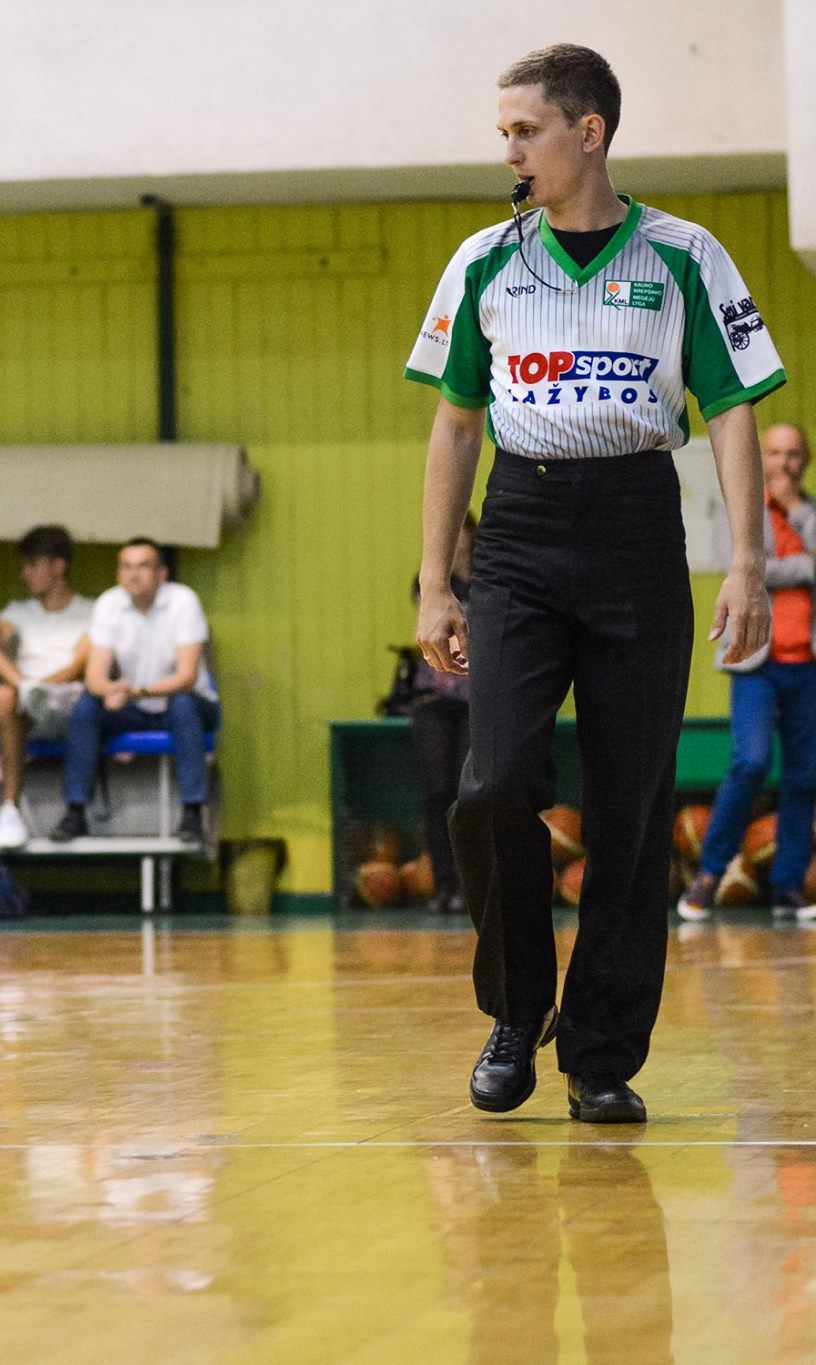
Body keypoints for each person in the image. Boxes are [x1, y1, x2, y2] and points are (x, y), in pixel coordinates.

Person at [409, 45, 781, 1124]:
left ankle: (602, 1054)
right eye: (503, 134)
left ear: (588, 131)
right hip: (519, 533)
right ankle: (516, 1008)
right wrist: (436, 582)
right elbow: (454, 424)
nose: (509, 151)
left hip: (635, 527)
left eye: (524, 130)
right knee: (492, 784)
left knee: (630, 805)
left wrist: (746, 562)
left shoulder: (685, 255)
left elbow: (732, 408)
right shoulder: (484, 260)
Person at [681, 422, 816, 923]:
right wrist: (804, 566)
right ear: (761, 458)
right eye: (775, 453)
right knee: (751, 762)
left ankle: (788, 888)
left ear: (804, 461)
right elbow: (738, 567)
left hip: (808, 665)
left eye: (793, 454)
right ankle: (708, 876)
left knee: (804, 776)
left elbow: (769, 568)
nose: (784, 463)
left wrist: (796, 510)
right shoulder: (740, 511)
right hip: (756, 662)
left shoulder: (809, 512)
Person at [54, 537, 220, 842]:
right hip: (133, 703)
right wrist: (110, 691)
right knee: (87, 706)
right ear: (119, 574)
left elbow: (186, 677)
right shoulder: (109, 603)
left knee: (182, 703)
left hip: (189, 705)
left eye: (143, 566)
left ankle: (193, 814)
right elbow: (95, 676)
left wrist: (135, 692)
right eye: (126, 567)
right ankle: (75, 811)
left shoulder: (184, 601)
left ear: (161, 573)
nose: (133, 574)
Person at [0, 525, 92, 851]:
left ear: (58, 566)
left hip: (70, 700)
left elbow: (80, 665)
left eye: (32, 565)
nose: (24, 574)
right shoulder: (19, 612)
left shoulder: (91, 610)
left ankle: (28, 689)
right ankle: (10, 811)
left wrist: (44, 688)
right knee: (5, 693)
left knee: (12, 694)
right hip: (25, 699)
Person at [409, 515, 479, 915]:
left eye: (461, 534)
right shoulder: (430, 583)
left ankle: (470, 885)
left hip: (474, 697)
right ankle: (443, 885)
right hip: (435, 697)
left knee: (468, 792)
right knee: (438, 792)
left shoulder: (489, 580)